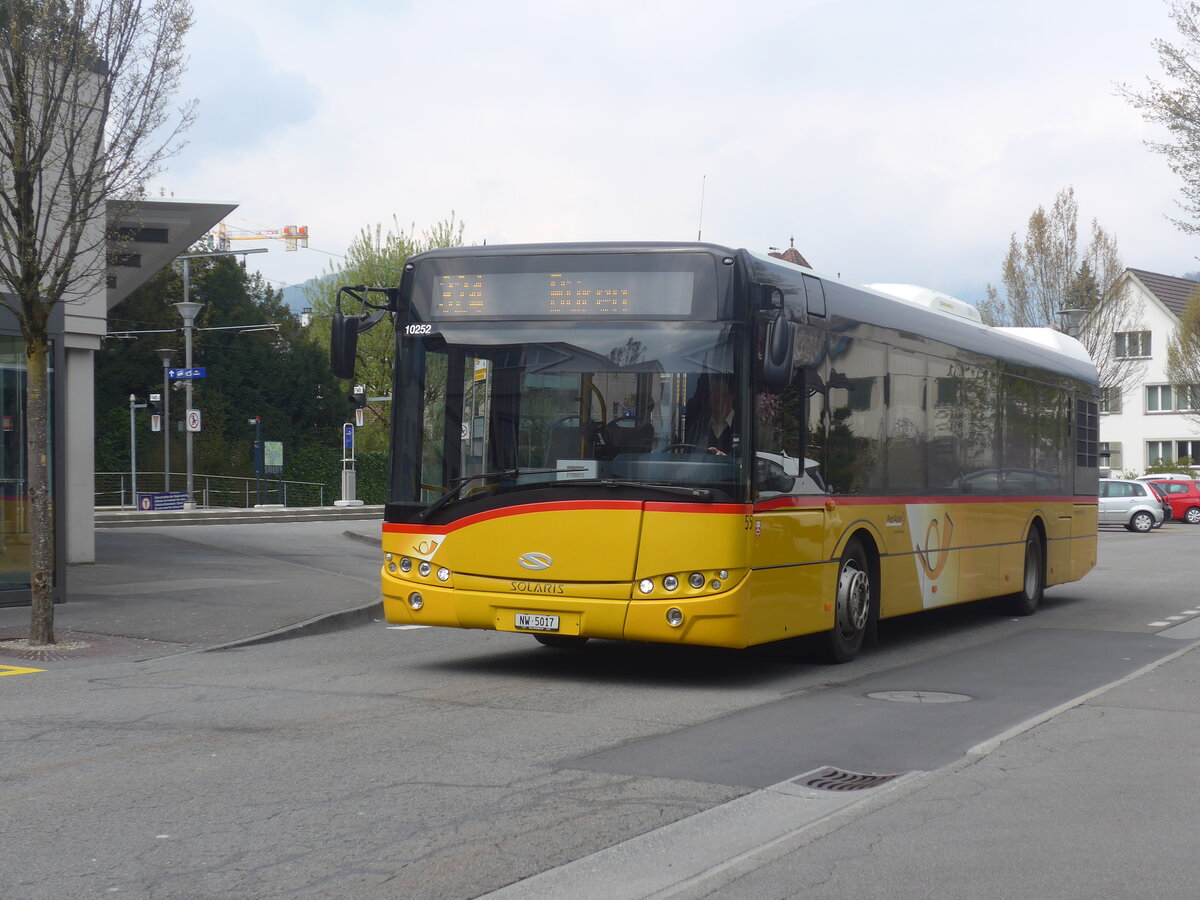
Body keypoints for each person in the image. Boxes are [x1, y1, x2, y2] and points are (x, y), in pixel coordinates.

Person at [686, 373, 737, 455]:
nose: (715, 398)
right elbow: (688, 459)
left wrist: (726, 460)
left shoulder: (743, 427)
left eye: (720, 394)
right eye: (713, 393)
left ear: (732, 397)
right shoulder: (697, 427)